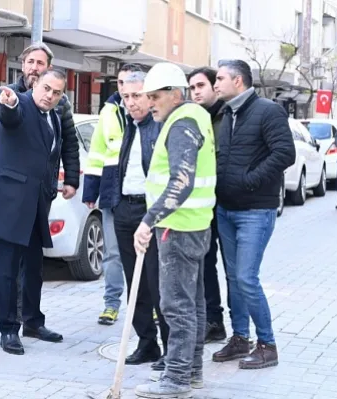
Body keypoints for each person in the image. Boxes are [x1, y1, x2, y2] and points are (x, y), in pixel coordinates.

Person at [0, 43, 80, 328]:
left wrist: (70, 179)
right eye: (30, 62)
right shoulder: (9, 97)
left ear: (49, 69)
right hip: (8, 193)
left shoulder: (58, 106)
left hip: (39, 194)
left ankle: (29, 318)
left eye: (40, 63)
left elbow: (68, 143)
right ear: (23, 66)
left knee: (31, 262)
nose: (34, 67)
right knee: (1, 259)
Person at [132, 62, 216, 398]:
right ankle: (190, 371)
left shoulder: (182, 123)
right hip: (194, 225)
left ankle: (177, 378)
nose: (150, 102)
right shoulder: (196, 118)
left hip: (177, 228)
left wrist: (148, 220)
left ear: (174, 93)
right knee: (193, 305)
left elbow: (181, 181)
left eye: (155, 95)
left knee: (176, 306)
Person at [211, 59, 295, 369]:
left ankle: (268, 344)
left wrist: (250, 180)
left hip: (255, 210)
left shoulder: (267, 111)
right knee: (234, 278)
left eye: (220, 78)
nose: (215, 83)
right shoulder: (226, 113)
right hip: (225, 210)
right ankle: (240, 339)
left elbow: (285, 152)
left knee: (246, 277)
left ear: (238, 81)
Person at [112, 71, 169, 369]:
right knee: (134, 281)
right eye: (126, 97)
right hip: (125, 210)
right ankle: (147, 343)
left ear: (150, 96)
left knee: (157, 282)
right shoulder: (129, 126)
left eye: (137, 96)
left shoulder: (159, 127)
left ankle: (170, 346)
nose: (131, 102)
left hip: (152, 214)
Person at [83, 64, 135, 326]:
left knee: (142, 254)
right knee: (113, 252)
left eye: (129, 82)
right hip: (112, 189)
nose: (124, 87)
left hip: (139, 192)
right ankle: (111, 304)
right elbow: (97, 151)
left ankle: (144, 305)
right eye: (121, 82)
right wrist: (90, 190)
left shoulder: (147, 110)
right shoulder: (109, 111)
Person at [187, 66, 229, 342]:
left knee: (235, 270)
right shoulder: (194, 117)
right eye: (191, 88)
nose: (196, 92)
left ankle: (238, 330)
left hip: (230, 203)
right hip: (204, 205)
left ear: (216, 86)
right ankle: (213, 320)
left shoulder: (228, 116)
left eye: (200, 85)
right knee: (205, 263)